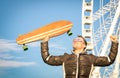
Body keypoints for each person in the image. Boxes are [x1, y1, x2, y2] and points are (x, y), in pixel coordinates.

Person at [41, 35, 119, 78]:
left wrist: (114, 43)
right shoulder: (65, 57)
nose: (76, 41)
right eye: (74, 40)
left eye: (79, 40)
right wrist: (44, 42)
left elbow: (109, 60)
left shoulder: (91, 58)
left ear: (84, 45)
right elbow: (47, 59)